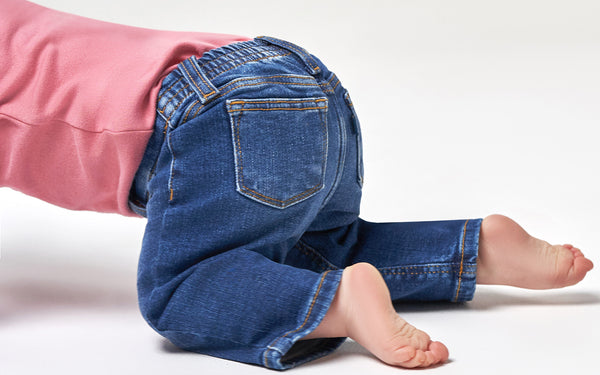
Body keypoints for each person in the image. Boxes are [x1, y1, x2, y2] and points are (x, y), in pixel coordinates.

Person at [0, 0, 594, 370]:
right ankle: (476, 248)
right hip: (297, 81)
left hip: (213, 119)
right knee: (317, 251)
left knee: (178, 290)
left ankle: (339, 306)